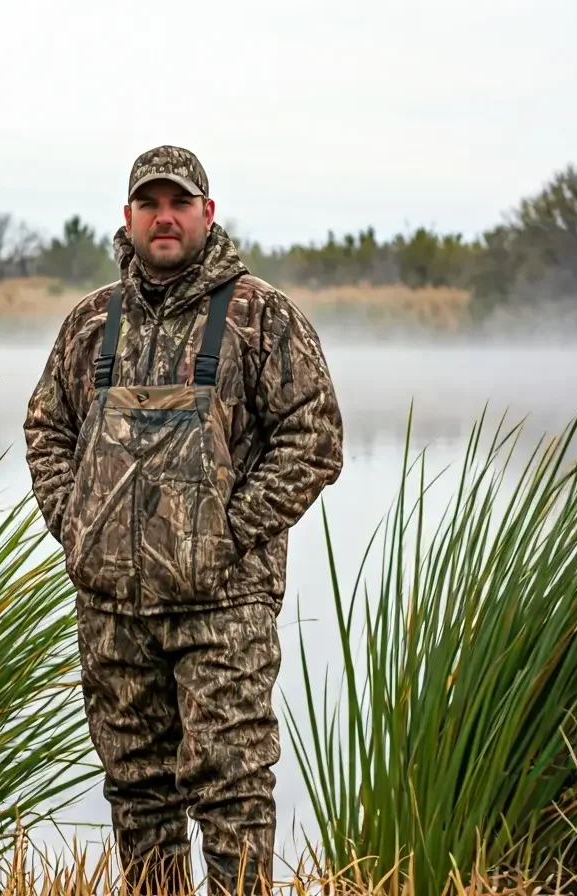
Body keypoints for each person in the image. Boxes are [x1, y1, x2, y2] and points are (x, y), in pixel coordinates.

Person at [22, 145, 344, 895]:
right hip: (114, 610)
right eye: (149, 204)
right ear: (128, 218)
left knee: (232, 789)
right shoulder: (90, 322)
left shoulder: (261, 316)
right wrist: (79, 525)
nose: (163, 217)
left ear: (208, 213)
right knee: (138, 791)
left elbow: (315, 438)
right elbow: (46, 429)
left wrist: (227, 533)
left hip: (223, 609)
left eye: (179, 203)